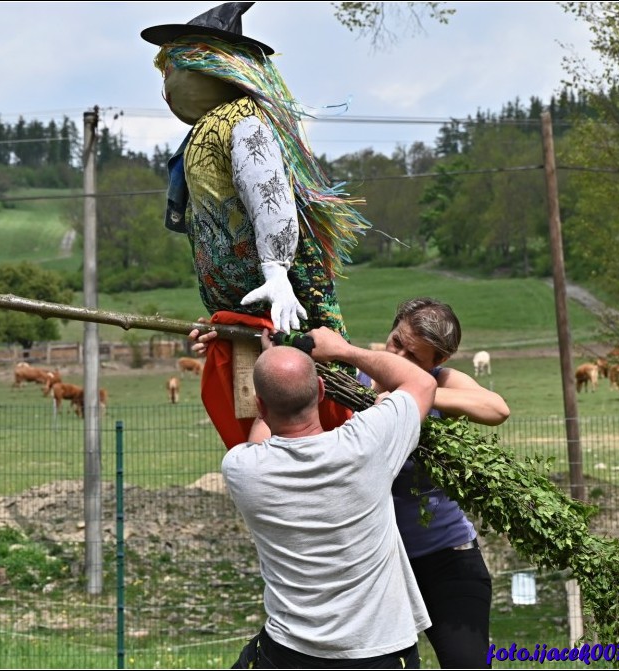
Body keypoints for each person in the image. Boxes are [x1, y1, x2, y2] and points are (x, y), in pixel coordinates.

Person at [141, 2, 370, 446]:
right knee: (265, 424)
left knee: (305, 415)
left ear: (209, 64)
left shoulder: (243, 121)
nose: (166, 83)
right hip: (243, 319)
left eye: (173, 67)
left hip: (280, 311)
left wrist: (277, 272)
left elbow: (271, 196)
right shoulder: (203, 132)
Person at [222, 326, 437, 668]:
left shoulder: (241, 468)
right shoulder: (367, 445)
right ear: (322, 390)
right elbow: (423, 383)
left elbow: (264, 437)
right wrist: (343, 350)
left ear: (260, 404)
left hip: (290, 652)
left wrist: (272, 360)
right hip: (378, 651)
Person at [377, 297, 510, 669]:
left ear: (438, 362)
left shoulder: (443, 381)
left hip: (446, 556)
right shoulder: (353, 378)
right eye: (396, 342)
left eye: (414, 357)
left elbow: (497, 409)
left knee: (466, 662)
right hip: (376, 563)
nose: (400, 357)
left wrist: (415, 393)